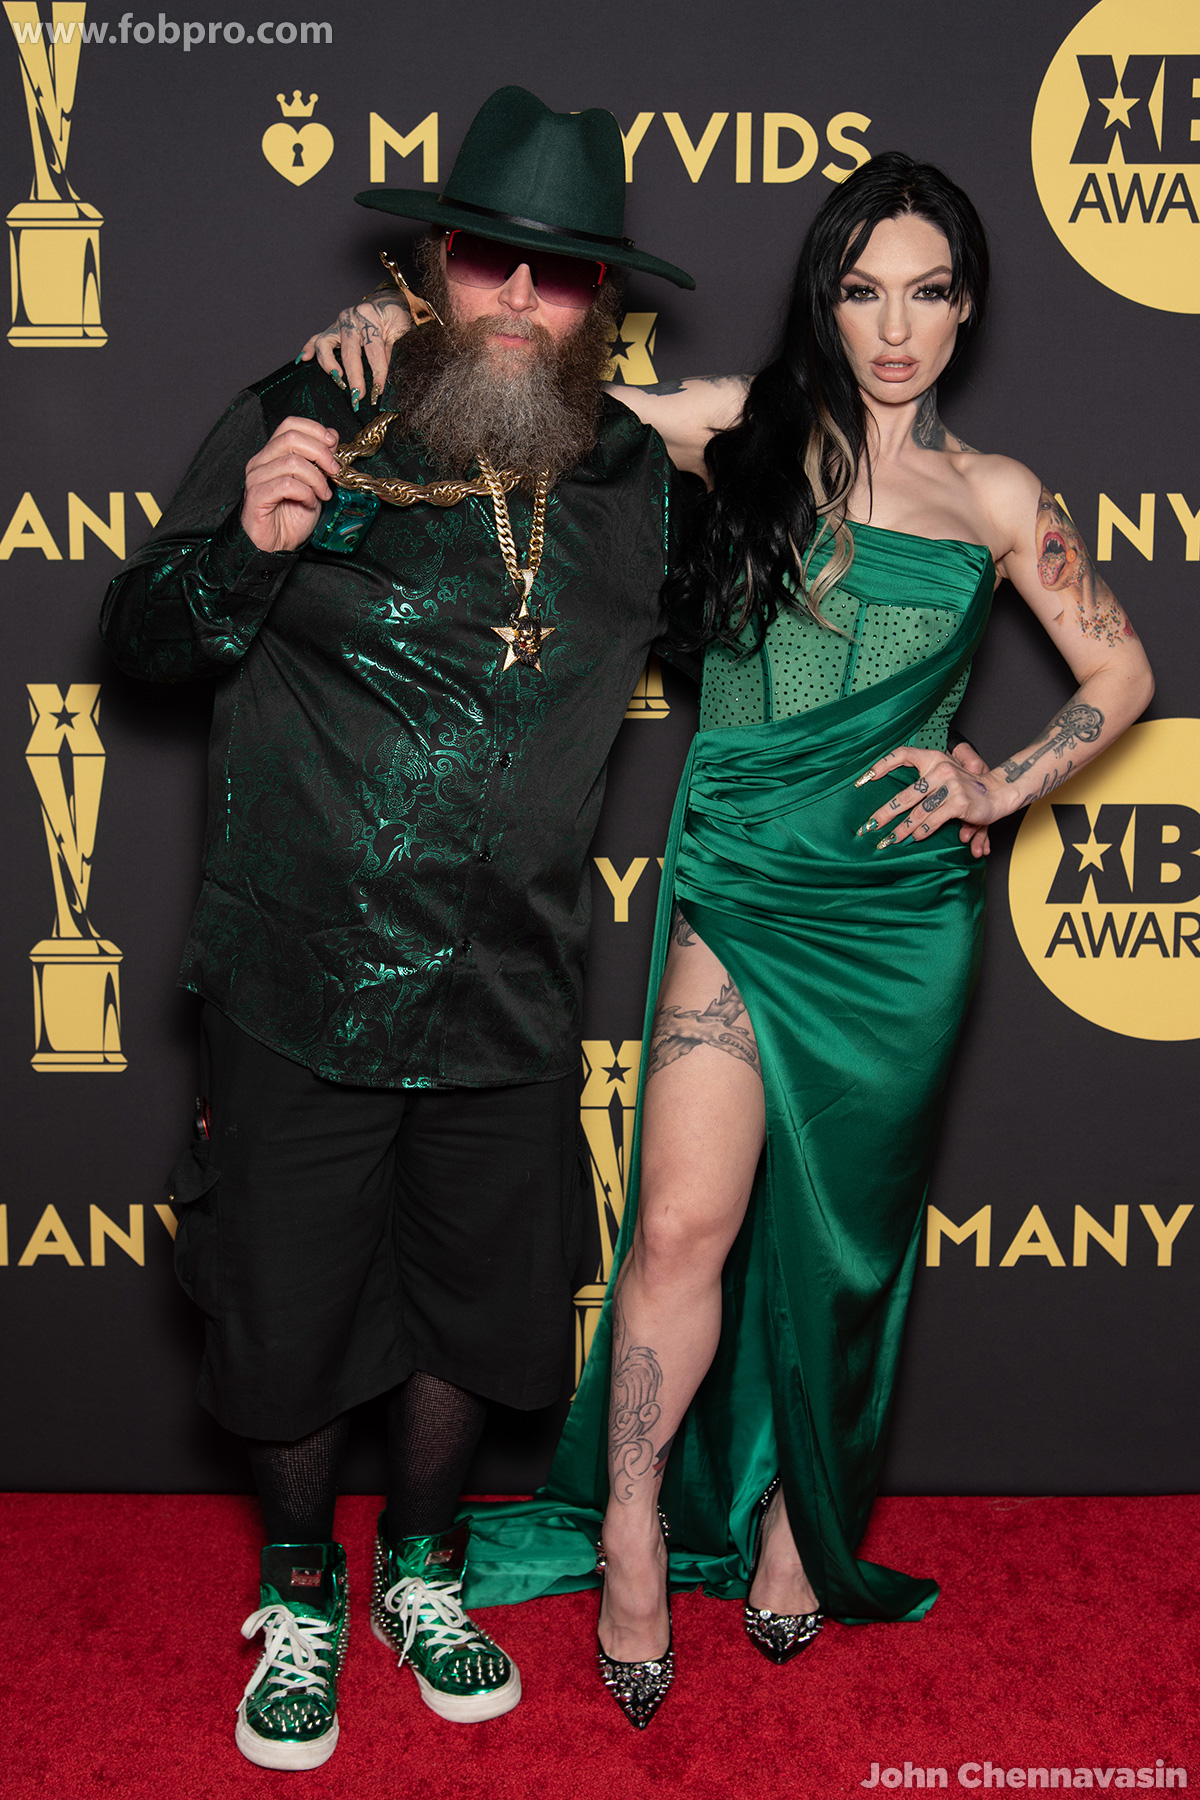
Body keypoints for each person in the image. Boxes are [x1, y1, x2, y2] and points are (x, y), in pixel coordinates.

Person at [311, 150, 1153, 1729]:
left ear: (966, 308)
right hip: (742, 890)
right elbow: (522, 400)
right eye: (862, 290)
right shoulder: (739, 425)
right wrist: (400, 332)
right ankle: (633, 1525)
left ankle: (791, 1524)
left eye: (926, 294)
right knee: (683, 1230)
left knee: (843, 1255)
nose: (892, 329)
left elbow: (1123, 677)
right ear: (823, 298)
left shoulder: (998, 497)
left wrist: (999, 781)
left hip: (899, 924)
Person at [99, 86, 698, 1770]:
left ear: (600, 300)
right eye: (490, 258)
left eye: (558, 275)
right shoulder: (313, 409)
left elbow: (784, 608)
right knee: (285, 1320)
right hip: (300, 979)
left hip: (510, 988)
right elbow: (140, 637)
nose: (519, 296)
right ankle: (301, 1586)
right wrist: (245, 551)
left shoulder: (638, 481)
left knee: (475, 1315)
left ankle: (420, 1569)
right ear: (434, 262)